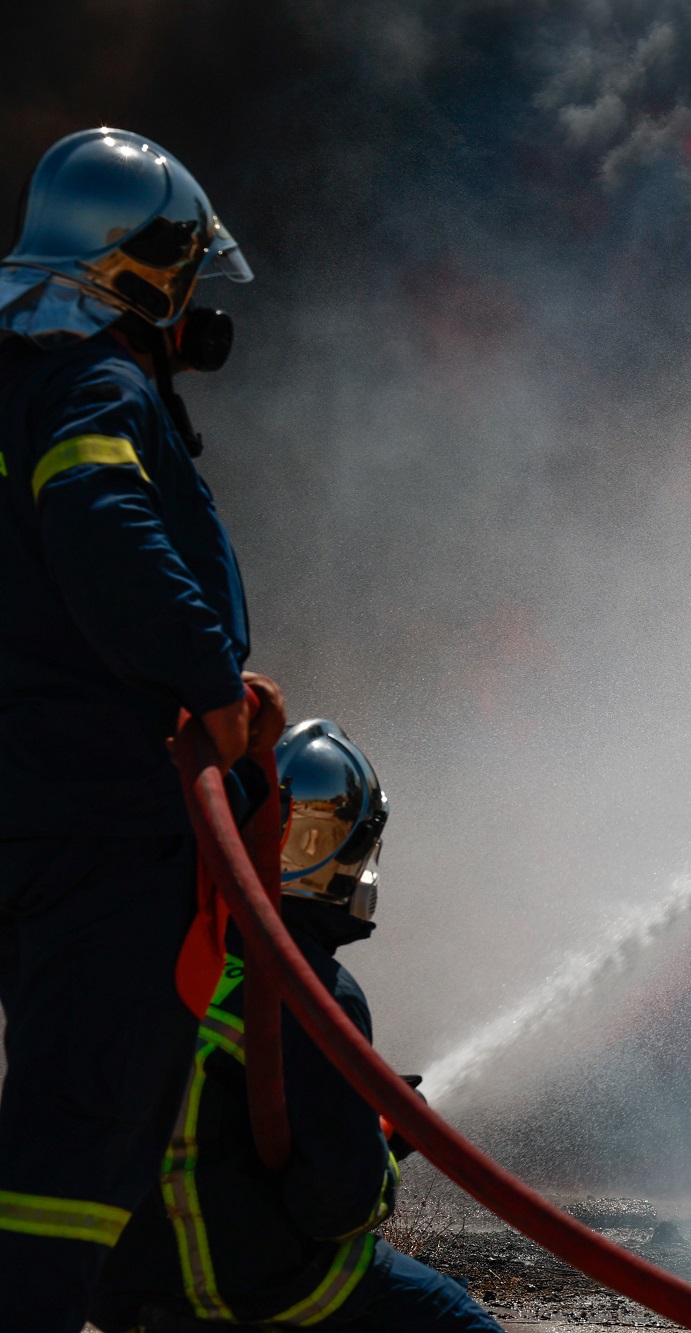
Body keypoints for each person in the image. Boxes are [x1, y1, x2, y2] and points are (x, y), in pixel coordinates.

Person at [0, 127, 285, 1330]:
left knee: (77, 1111)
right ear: (140, 268)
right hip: (103, 820)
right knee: (83, 1128)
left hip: (40, 802)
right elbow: (104, 521)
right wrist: (211, 684)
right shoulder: (96, 385)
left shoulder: (21, 379)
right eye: (182, 280)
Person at [91, 718, 502, 1332]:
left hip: (129, 1295)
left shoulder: (140, 954)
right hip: (263, 1293)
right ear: (335, 845)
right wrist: (381, 1145)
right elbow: (337, 1206)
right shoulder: (313, 992)